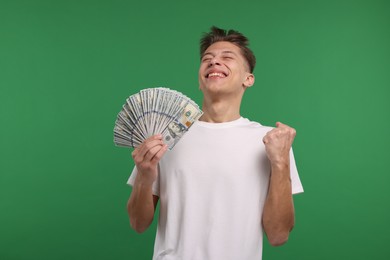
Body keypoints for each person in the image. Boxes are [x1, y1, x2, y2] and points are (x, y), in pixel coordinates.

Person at [126, 26, 304, 260]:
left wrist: (280, 163)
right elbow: (138, 224)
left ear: (248, 79)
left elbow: (278, 235)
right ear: (200, 80)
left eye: (227, 58)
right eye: (207, 60)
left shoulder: (271, 141)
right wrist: (144, 177)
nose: (214, 62)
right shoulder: (166, 136)